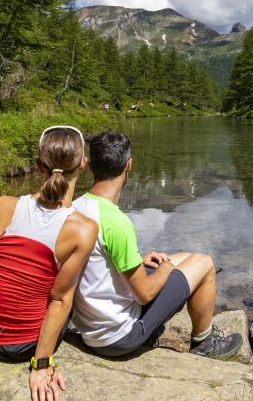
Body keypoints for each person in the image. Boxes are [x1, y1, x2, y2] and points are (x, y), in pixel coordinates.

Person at [0, 125, 98, 401]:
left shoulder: (1, 205)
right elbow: (59, 300)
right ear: (83, 164)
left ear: (38, 166)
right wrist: (41, 364)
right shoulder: (83, 229)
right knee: (68, 295)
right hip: (20, 347)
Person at [71, 130, 242, 359]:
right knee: (204, 263)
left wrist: (141, 260)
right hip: (119, 336)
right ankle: (205, 343)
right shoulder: (117, 222)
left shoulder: (75, 207)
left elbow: (92, 259)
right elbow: (144, 295)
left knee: (185, 256)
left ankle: (189, 309)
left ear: (90, 167)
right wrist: (167, 269)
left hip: (90, 327)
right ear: (128, 165)